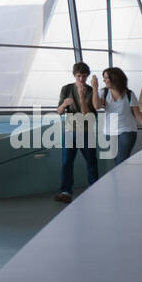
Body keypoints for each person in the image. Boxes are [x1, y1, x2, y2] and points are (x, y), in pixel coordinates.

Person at [54, 61, 98, 203]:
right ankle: (65, 192)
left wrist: (80, 96)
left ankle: (95, 188)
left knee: (91, 162)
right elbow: (59, 112)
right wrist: (65, 104)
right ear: (74, 75)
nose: (81, 79)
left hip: (86, 131)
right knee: (66, 162)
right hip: (69, 131)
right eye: (79, 76)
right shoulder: (66, 89)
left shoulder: (90, 91)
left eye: (84, 76)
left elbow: (86, 114)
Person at [93, 67, 142, 164]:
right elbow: (97, 106)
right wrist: (95, 89)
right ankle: (122, 178)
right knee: (117, 160)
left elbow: (137, 114)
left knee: (121, 160)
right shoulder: (103, 92)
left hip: (127, 130)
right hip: (110, 131)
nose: (104, 80)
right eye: (103, 78)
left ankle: (120, 178)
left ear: (114, 78)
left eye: (106, 78)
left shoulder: (129, 94)